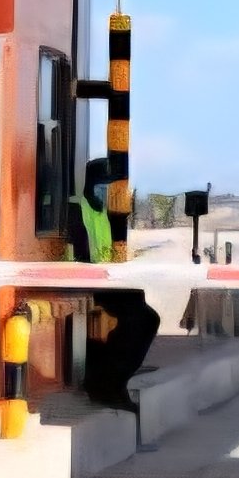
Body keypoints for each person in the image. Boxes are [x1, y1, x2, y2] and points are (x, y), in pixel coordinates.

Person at [78, 157, 160, 410]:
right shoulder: (78, 209)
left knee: (142, 310)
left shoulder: (102, 213)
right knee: (138, 319)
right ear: (93, 184)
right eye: (104, 185)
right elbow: (79, 254)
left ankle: (114, 381)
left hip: (102, 282)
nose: (108, 191)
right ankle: (106, 383)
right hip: (80, 283)